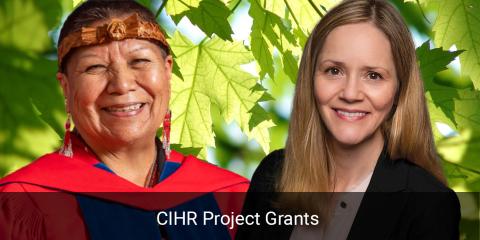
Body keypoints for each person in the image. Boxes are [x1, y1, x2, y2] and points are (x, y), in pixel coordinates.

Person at [0, 1, 248, 239]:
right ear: (65, 87)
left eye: (139, 62)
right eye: (95, 67)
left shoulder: (232, 197)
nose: (122, 85)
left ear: (167, 71)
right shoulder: (21, 203)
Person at [236, 0, 460, 239]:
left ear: (399, 90)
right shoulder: (273, 174)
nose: (350, 94)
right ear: (310, 79)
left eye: (373, 75)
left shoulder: (429, 204)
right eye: (334, 71)